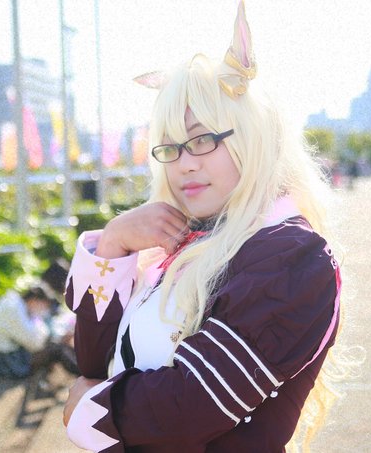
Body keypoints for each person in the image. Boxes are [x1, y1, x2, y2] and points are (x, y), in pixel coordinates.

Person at [62, 2, 342, 451]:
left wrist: (86, 412)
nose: (184, 164)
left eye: (203, 140)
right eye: (170, 147)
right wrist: (113, 245)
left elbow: (189, 409)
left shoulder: (291, 257)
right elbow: (95, 361)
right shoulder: (179, 238)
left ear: (253, 136)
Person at [0, 262, 79, 379]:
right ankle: (83, 372)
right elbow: (35, 344)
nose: (44, 310)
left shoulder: (16, 302)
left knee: (60, 346)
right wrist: (39, 322)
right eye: (44, 307)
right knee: (58, 349)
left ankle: (82, 367)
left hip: (5, 352)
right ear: (36, 300)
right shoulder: (15, 310)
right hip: (8, 361)